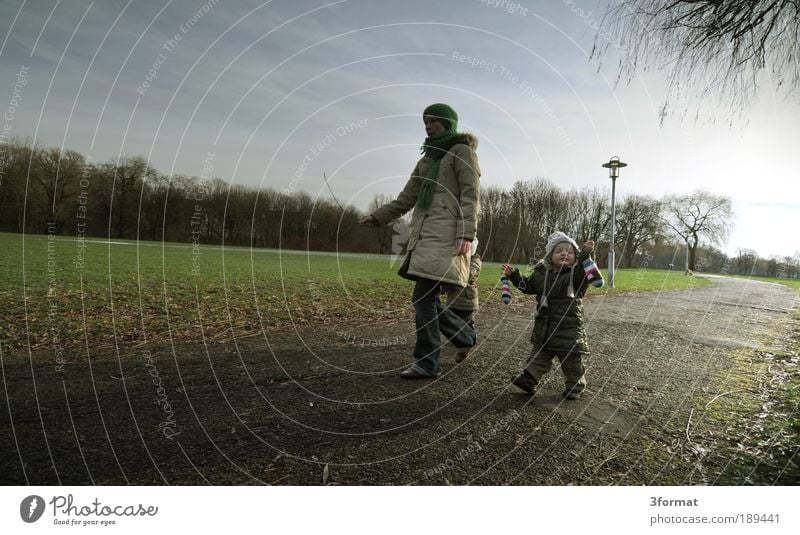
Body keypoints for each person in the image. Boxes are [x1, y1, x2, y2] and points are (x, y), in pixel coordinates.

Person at [359, 103, 480, 379]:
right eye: (425, 121)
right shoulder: (426, 160)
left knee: (423, 299)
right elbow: (406, 198)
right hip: (424, 237)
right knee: (428, 300)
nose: (428, 125)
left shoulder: (462, 153)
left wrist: (466, 234)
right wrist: (377, 217)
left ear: (448, 123)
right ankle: (464, 336)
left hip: (448, 237)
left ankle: (427, 362)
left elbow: (471, 196)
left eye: (434, 121)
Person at [501, 231, 603, 399]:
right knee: (539, 356)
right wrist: (514, 275)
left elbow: (587, 271)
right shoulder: (541, 273)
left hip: (568, 328)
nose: (564, 253)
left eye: (570, 252)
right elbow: (527, 287)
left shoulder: (575, 274)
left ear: (575, 256)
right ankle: (529, 379)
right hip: (545, 326)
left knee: (571, 362)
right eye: (559, 251)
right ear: (549, 256)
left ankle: (575, 386)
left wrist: (586, 254)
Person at [441, 240, 481, 363]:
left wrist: (453, 277)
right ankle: (462, 336)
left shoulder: (475, 261)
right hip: (453, 298)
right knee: (452, 320)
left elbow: (469, 274)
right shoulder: (456, 259)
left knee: (464, 322)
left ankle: (464, 348)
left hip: (467, 300)